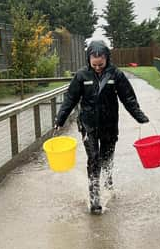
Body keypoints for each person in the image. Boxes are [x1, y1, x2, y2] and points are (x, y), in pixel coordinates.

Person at [54, 39, 149, 214]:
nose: (98, 67)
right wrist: (60, 120)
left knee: (107, 158)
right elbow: (70, 99)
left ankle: (108, 184)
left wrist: (140, 117)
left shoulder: (115, 75)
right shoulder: (82, 76)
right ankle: (95, 200)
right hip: (88, 125)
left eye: (101, 64)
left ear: (107, 58)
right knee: (94, 159)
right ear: (88, 60)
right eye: (95, 64)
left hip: (109, 125)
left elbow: (128, 98)